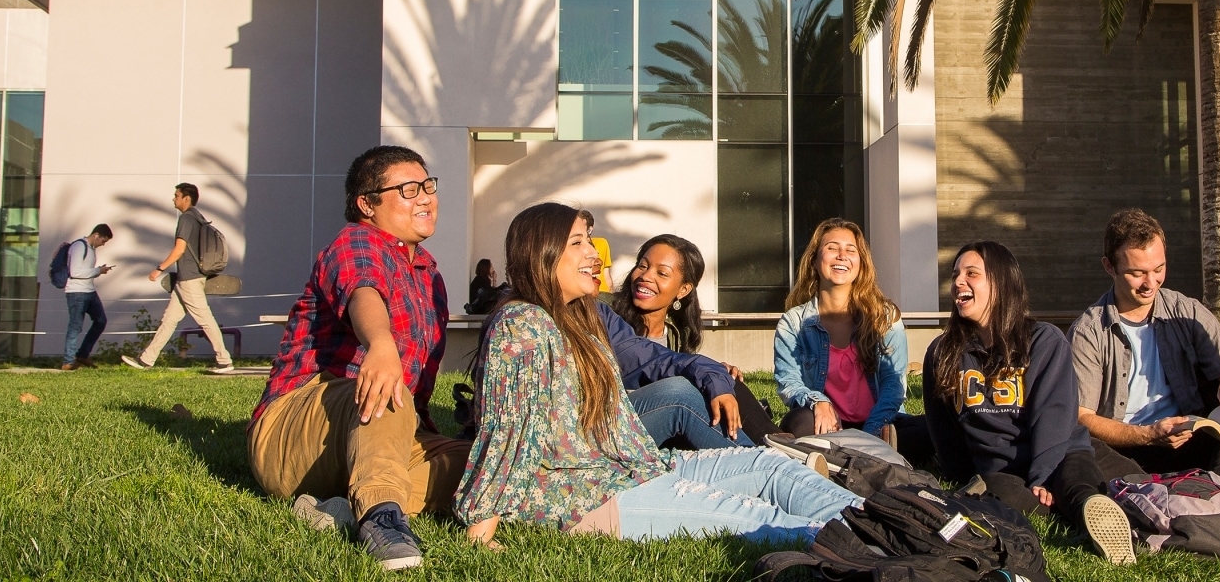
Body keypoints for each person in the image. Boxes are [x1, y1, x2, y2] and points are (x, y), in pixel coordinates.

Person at [456, 202, 861, 550]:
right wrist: (481, 529)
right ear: (541, 252)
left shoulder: (583, 315)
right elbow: (509, 431)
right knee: (769, 520)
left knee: (774, 468)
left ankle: (886, 518)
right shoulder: (522, 323)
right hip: (580, 497)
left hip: (632, 466)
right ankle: (880, 543)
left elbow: (650, 359)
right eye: (577, 242)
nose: (594, 255)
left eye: (589, 241)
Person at [247, 146, 467, 571]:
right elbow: (363, 289)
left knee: (483, 466)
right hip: (293, 428)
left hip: (382, 436)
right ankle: (381, 518)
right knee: (387, 389)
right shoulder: (356, 240)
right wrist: (380, 345)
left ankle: (341, 508)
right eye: (407, 189)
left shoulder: (430, 276)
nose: (425, 197)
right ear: (367, 204)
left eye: (427, 185)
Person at [923, 240, 1137, 565]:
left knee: (1077, 484)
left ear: (1001, 282)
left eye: (971, 274)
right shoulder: (943, 352)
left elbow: (1055, 414)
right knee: (998, 490)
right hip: (1000, 469)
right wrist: (960, 473)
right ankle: (1067, 518)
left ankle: (1092, 515)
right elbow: (943, 427)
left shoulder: (1043, 340)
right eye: (955, 275)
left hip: (1059, 450)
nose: (957, 283)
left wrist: (1042, 476)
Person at [1068, 209, 1220, 492]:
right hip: (1125, 447)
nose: (1150, 284)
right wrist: (1146, 435)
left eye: (1158, 269)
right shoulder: (1089, 331)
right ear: (1109, 267)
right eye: (1137, 273)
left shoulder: (1186, 311)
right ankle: (1170, 489)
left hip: (1186, 438)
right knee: (1079, 446)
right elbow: (1081, 416)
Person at [773, 218, 926, 457]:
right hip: (827, 426)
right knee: (797, 422)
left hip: (879, 423)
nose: (842, 255)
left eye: (850, 250)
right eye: (832, 248)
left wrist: (871, 432)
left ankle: (845, 455)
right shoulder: (793, 323)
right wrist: (818, 402)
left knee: (927, 429)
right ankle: (869, 454)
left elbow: (893, 385)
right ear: (815, 259)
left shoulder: (885, 317)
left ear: (861, 263)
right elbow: (789, 383)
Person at [610, 234, 785, 441]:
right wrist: (705, 370)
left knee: (726, 379)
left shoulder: (675, 332)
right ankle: (774, 455)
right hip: (626, 420)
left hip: (670, 422)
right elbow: (650, 370)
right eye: (642, 266)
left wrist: (714, 371)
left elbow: (677, 365)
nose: (646, 276)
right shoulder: (609, 318)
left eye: (662, 273)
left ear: (683, 290)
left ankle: (777, 442)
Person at [121, 183, 233, 373]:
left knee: (205, 319)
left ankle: (224, 361)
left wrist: (159, 269)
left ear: (186, 198)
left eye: (176, 195)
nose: (173, 199)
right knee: (169, 320)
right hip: (186, 280)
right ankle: (146, 360)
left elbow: (179, 249)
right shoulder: (198, 218)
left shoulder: (186, 219)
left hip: (189, 279)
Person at [59, 224, 115, 371]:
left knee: (101, 320)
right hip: (77, 292)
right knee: (75, 326)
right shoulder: (79, 247)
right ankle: (68, 361)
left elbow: (85, 270)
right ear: (96, 235)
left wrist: (99, 271)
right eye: (103, 241)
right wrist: (97, 270)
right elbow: (75, 272)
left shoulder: (91, 249)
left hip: (89, 291)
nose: (103, 244)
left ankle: (82, 354)